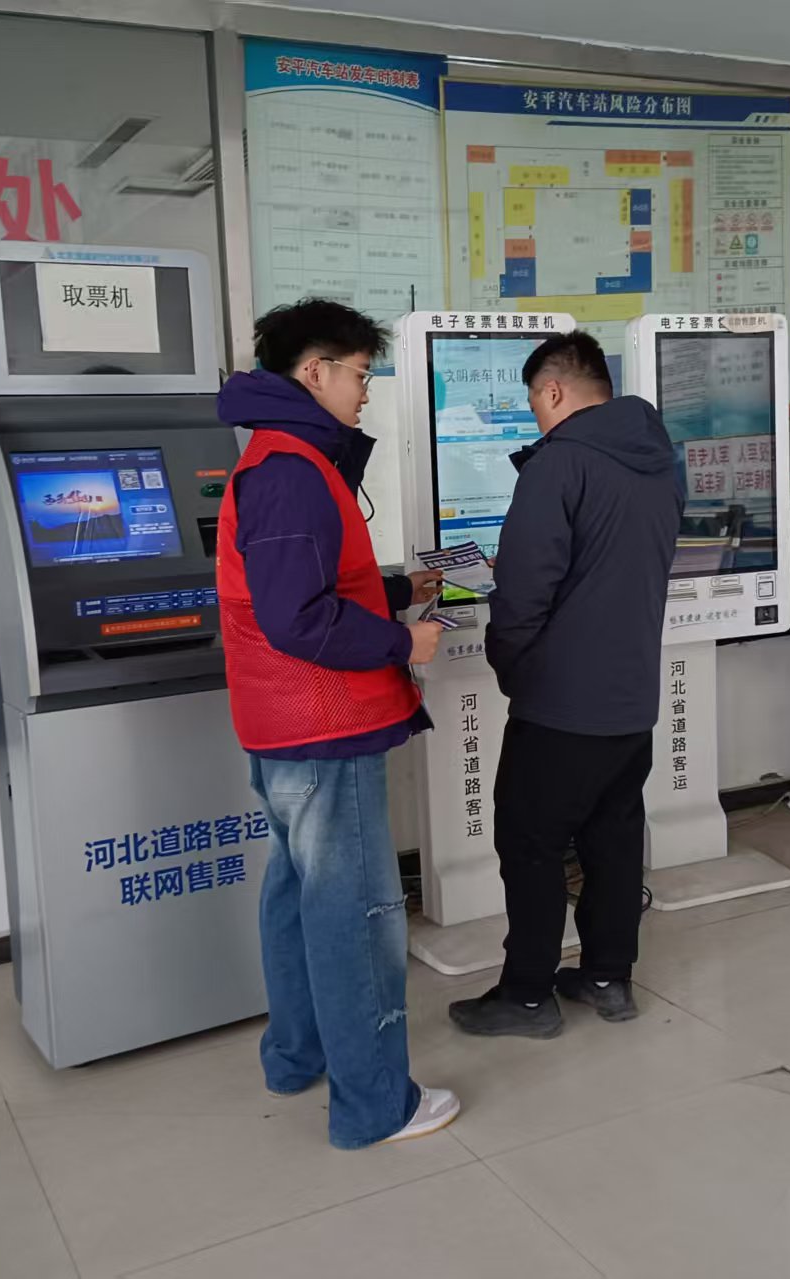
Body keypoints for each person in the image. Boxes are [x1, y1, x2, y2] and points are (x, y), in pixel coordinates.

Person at [215, 298, 460, 1148]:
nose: (365, 392)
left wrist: (396, 591)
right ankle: (373, 1104)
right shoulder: (291, 468)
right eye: (359, 374)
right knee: (355, 913)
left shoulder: (280, 457)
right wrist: (402, 640)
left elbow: (304, 584)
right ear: (313, 372)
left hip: (283, 724)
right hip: (324, 722)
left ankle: (298, 1055)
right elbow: (298, 617)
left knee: (297, 895)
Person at [449, 330, 678, 1039]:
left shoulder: (559, 463)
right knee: (614, 837)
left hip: (561, 703)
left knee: (531, 843)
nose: (536, 417)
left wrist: (512, 664)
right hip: (631, 697)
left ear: (552, 390)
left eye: (534, 403)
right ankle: (609, 977)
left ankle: (526, 995)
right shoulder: (659, 461)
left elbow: (523, 593)